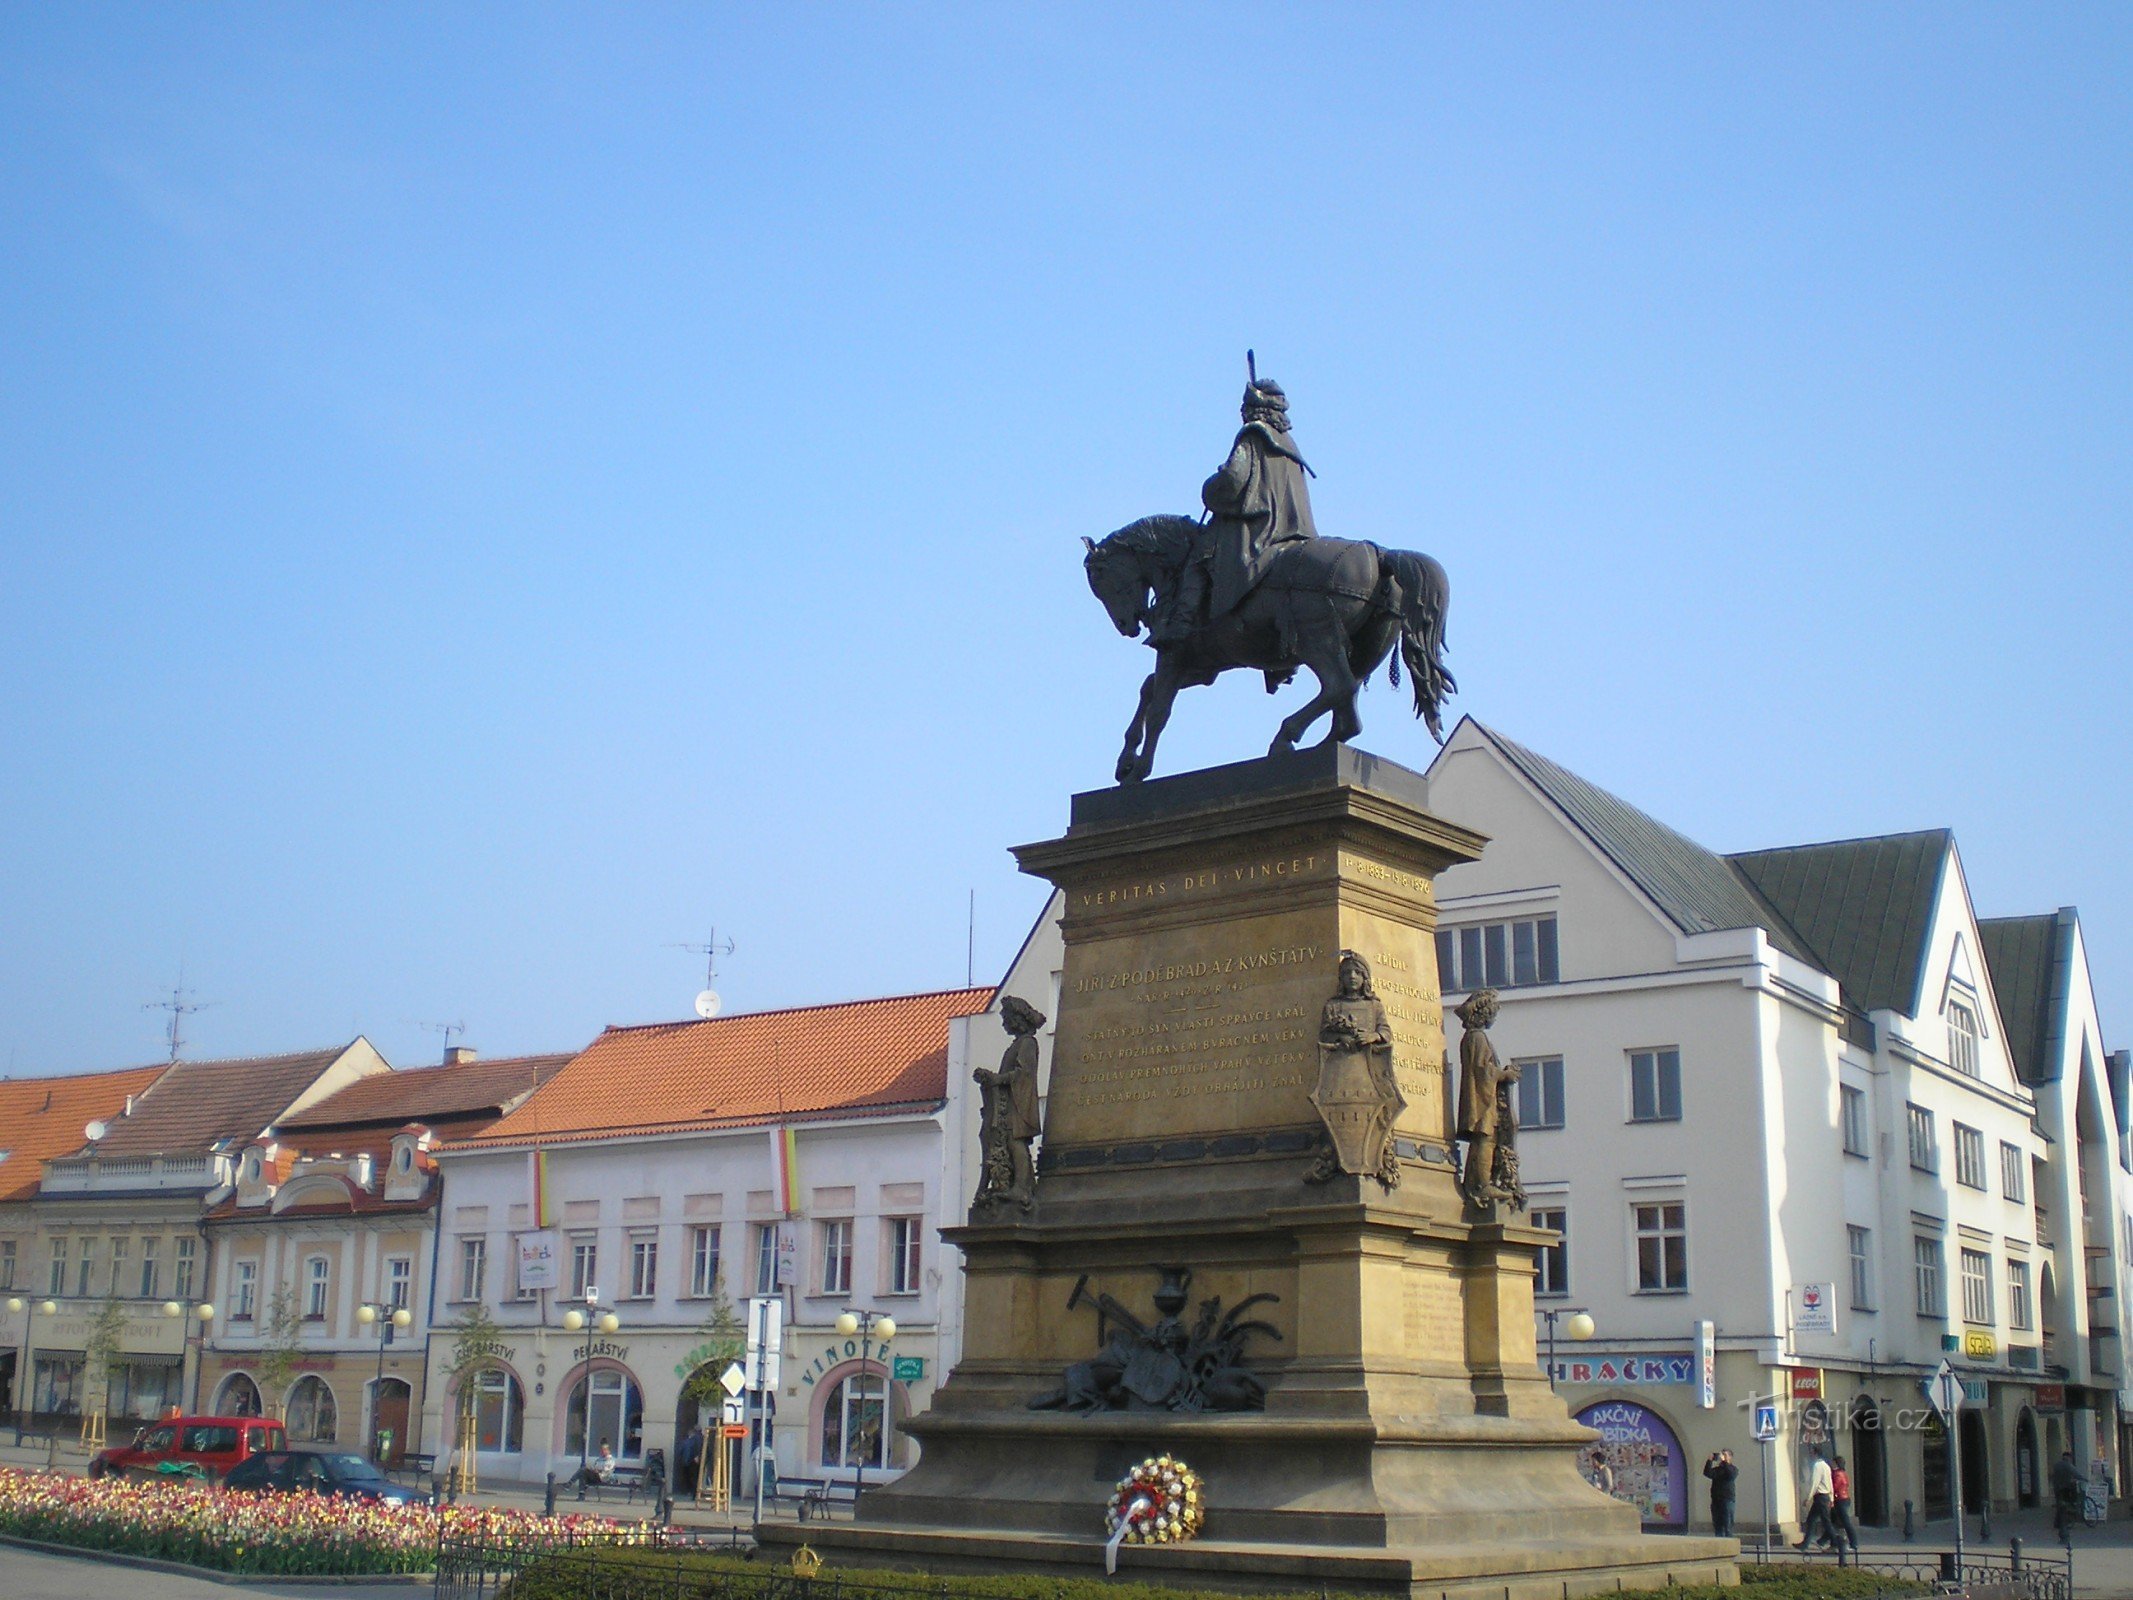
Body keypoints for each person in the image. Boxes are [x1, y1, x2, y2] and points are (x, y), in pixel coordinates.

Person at [1152, 369, 1317, 645]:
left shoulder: (1253, 435)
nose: (1242, 412)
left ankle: (1180, 627)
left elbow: (1233, 479)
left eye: (1245, 407)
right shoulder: (1290, 445)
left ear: (1255, 409)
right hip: (1294, 529)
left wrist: (1210, 488)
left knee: (1199, 556)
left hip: (1259, 528)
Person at [1795, 1450, 1835, 1552]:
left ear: (1816, 1454)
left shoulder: (1817, 1466)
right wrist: (1831, 1498)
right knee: (1812, 1520)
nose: (1811, 1456)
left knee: (1825, 1522)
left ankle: (1836, 1542)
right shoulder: (1826, 1466)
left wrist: (1808, 1498)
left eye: (1812, 1454)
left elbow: (1814, 1483)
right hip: (1825, 1496)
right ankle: (1805, 1543)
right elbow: (1830, 1482)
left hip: (1820, 1497)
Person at [1824, 1454, 1858, 1563]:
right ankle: (1834, 1543)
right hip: (1842, 1499)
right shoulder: (1841, 1473)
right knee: (1836, 1523)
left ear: (1837, 1463)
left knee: (1845, 1522)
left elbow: (1834, 1487)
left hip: (1840, 1500)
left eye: (1833, 1462)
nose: (1831, 1464)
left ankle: (1853, 1543)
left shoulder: (1838, 1474)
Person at [1703, 1448, 1738, 1537]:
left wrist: (1725, 1462)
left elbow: (1730, 1475)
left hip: (1727, 1500)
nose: (1722, 1456)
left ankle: (1729, 1546)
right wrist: (1709, 1460)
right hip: (1716, 1501)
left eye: (1725, 1455)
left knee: (1727, 1525)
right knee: (1718, 1526)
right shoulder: (1718, 1470)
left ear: (1730, 1457)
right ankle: (1720, 1546)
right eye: (1722, 1455)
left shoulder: (1733, 1469)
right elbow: (1707, 1473)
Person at [2052, 1449, 2083, 1536]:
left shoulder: (2057, 1465)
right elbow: (2076, 1474)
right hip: (2065, 1488)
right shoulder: (2068, 1465)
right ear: (2068, 1457)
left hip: (2057, 1488)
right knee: (2068, 1503)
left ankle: (2057, 1523)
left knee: (2060, 1505)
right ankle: (2068, 1518)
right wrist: (2084, 1479)